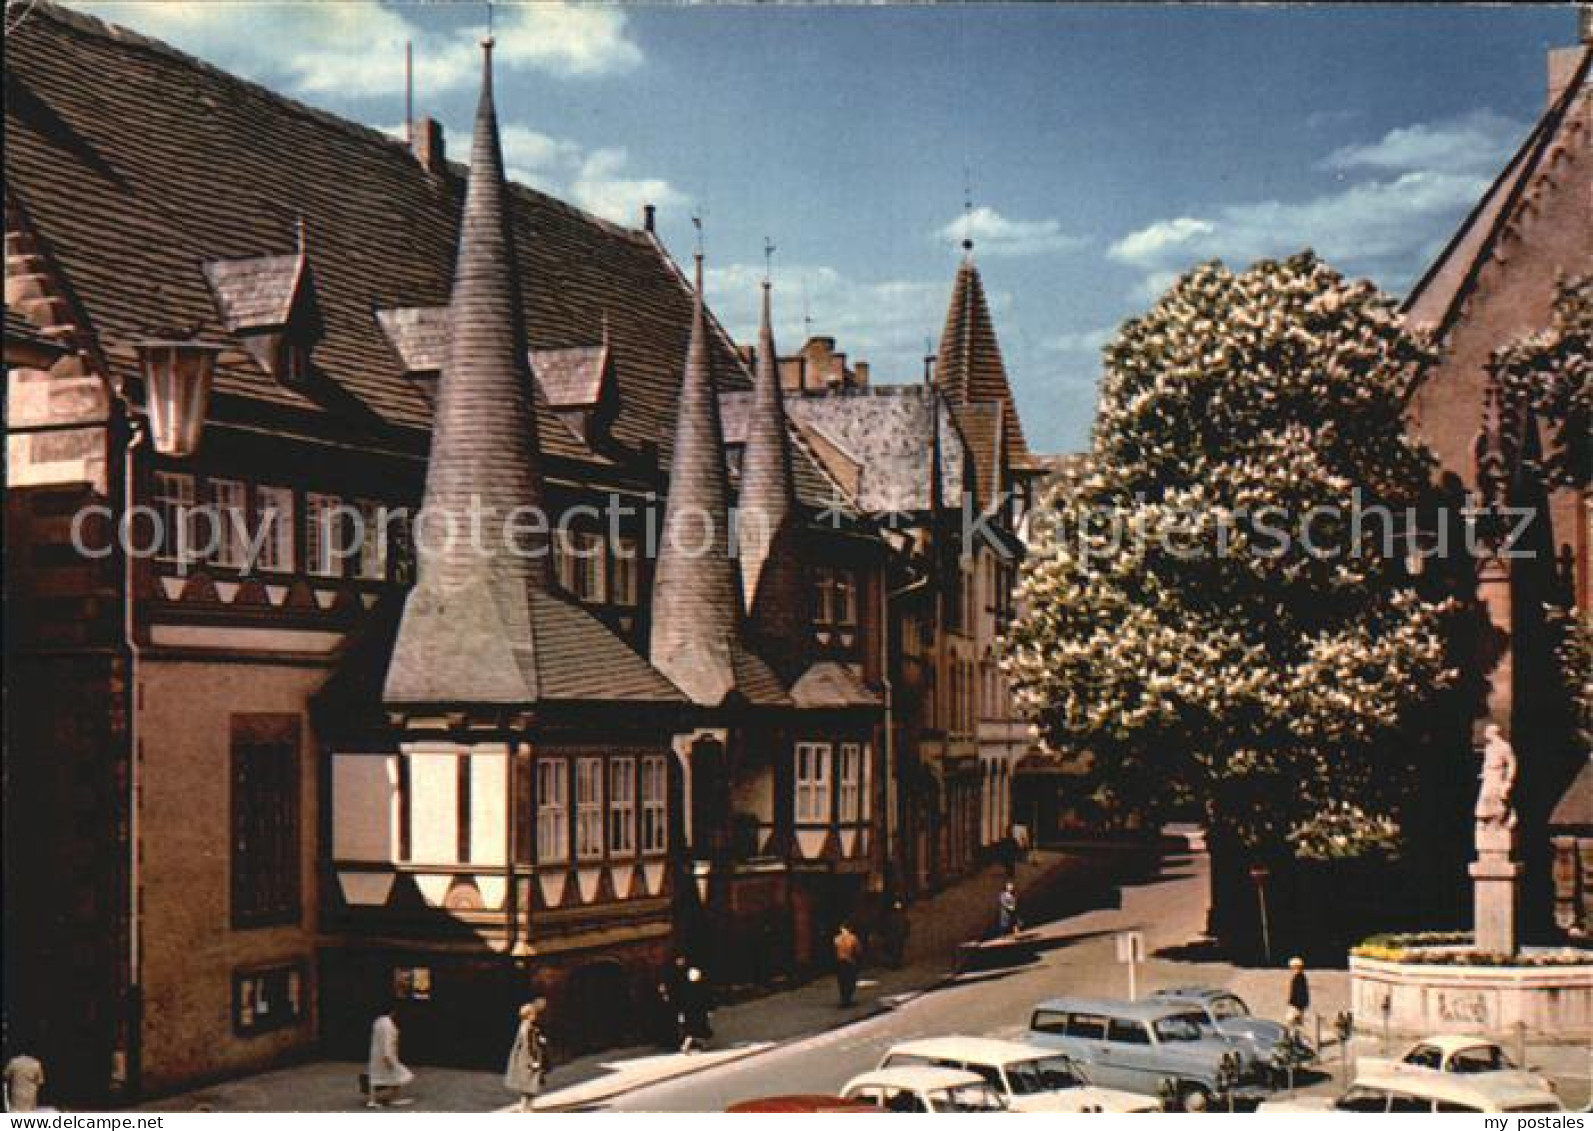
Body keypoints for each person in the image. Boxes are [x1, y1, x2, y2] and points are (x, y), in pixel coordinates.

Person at [504, 999, 549, 1112]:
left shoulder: (528, 1025)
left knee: (530, 1086)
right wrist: (532, 1061)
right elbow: (527, 1047)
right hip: (527, 1061)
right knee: (529, 1086)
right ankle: (525, 1109)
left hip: (527, 1060)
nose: (536, 1016)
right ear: (528, 1015)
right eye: (534, 1014)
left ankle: (526, 1107)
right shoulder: (526, 1028)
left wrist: (540, 1039)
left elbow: (533, 1039)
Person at [367, 1003, 415, 1107]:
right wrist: (387, 1057)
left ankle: (373, 1099)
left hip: (377, 1054)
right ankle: (393, 1098)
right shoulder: (388, 1025)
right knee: (399, 1075)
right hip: (386, 1055)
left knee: (376, 1077)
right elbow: (387, 1041)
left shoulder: (378, 1021)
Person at [679, 966, 712, 1053]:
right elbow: (706, 999)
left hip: (691, 1013)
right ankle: (687, 1046)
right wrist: (709, 1010)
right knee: (696, 1030)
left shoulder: (686, 988)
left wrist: (682, 1013)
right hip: (698, 1012)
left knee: (695, 1030)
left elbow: (683, 1002)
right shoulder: (701, 987)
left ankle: (703, 1045)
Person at [833, 922, 862, 1007]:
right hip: (850, 962)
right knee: (851, 981)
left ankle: (844, 999)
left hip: (840, 962)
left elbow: (834, 950)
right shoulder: (853, 938)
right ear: (850, 929)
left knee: (842, 981)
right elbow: (858, 951)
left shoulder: (836, 939)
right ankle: (848, 999)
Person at [882, 899, 910, 969]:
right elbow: (887, 927)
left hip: (898, 936)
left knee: (897, 951)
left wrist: (906, 934)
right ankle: (894, 964)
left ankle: (896, 964)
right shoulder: (892, 917)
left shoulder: (902, 917)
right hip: (894, 936)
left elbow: (906, 926)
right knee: (895, 951)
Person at [1286, 956, 1310, 1029]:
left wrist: (1294, 1003)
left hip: (1297, 1005)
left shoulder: (1299, 978)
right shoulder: (1300, 977)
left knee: (1292, 1022)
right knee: (1296, 1023)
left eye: (1292, 967)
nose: (1291, 969)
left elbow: (1299, 992)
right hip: (1298, 1005)